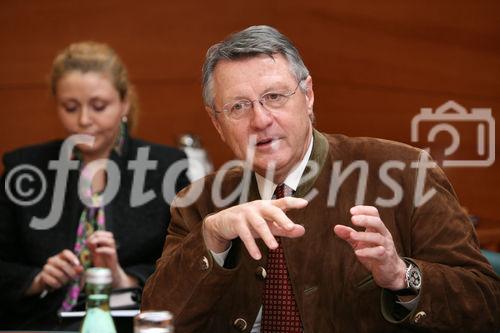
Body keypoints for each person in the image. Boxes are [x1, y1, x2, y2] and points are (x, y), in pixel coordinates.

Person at [142, 25, 500, 332]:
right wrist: (211, 241)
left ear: (308, 95)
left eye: (274, 97)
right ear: (217, 124)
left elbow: (486, 305)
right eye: (238, 106)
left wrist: (401, 276)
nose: (260, 120)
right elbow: (154, 323)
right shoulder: (201, 203)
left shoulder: (405, 173)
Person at [0, 42, 190, 329]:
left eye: (99, 106)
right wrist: (37, 280)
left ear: (124, 103)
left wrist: (124, 280)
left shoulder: (166, 166)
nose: (84, 120)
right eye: (70, 107)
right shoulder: (24, 167)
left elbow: (188, 263)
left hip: (131, 323)